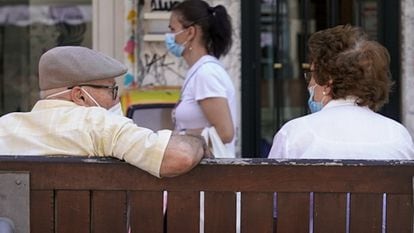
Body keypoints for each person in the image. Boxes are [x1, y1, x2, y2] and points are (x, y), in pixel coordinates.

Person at [0, 46, 210, 178]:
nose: (116, 98)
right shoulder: (95, 123)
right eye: (112, 89)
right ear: (79, 95)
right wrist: (198, 141)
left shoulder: (5, 127)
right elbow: (178, 157)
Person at [268, 25, 414, 159]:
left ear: (328, 81)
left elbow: (271, 186)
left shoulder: (294, 134)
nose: (310, 83)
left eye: (312, 74)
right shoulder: (398, 135)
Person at [165, 0, 237, 157]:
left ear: (190, 32)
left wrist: (178, 138)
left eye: (173, 29)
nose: (169, 37)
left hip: (211, 174)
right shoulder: (199, 71)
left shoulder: (206, 73)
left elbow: (225, 133)